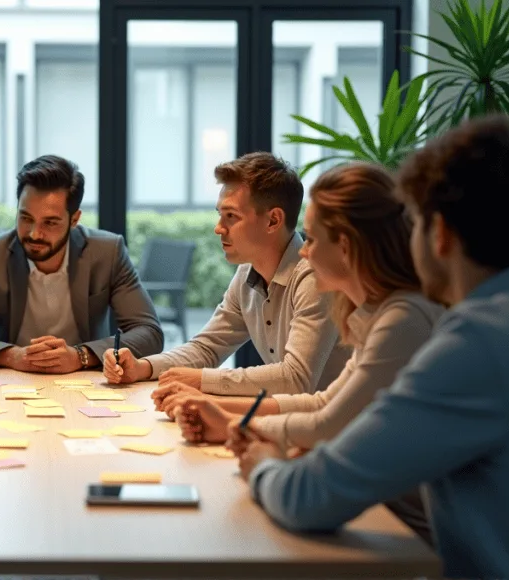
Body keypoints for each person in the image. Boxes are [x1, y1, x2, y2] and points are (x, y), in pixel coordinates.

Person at [238, 117, 509, 579]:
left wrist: (264, 468)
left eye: (411, 222)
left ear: (440, 235)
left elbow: (313, 498)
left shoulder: (475, 341)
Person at [172, 163, 443, 543]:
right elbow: (322, 405)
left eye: (312, 240)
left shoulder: (402, 318)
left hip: (410, 529)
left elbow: (326, 423)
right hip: (381, 509)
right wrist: (236, 422)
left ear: (345, 246)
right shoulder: (376, 311)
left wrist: (244, 429)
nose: (304, 253)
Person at [104, 152, 350, 397]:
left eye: (231, 216)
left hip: (342, 429)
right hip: (297, 421)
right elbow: (206, 348)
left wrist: (202, 379)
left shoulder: (313, 277)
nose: (218, 228)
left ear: (273, 220)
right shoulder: (247, 273)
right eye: (219, 214)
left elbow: (295, 378)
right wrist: (142, 367)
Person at [0, 155, 163, 372]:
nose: (34, 233)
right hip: (10, 381)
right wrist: (13, 356)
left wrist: (79, 356)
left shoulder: (107, 252)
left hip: (85, 381)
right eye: (26, 218)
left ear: (74, 219)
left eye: (50, 223)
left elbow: (149, 333)